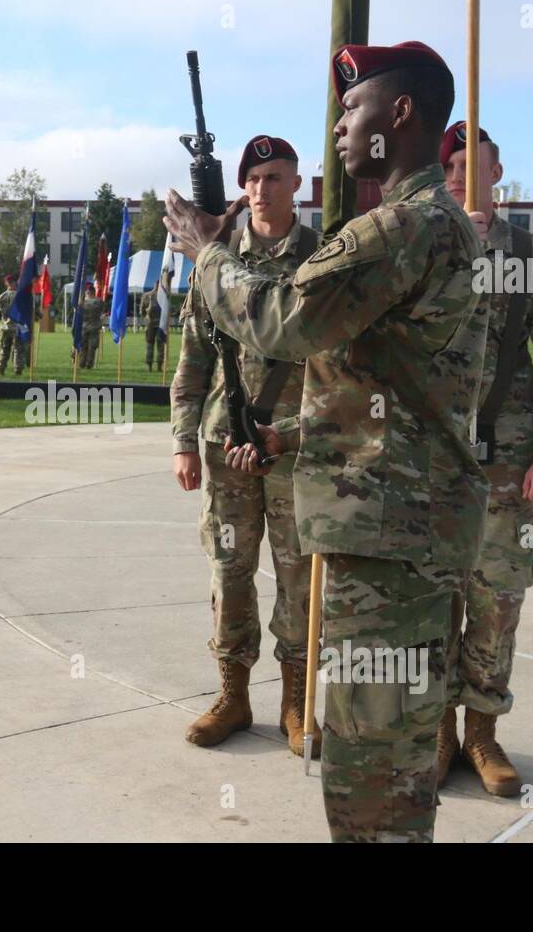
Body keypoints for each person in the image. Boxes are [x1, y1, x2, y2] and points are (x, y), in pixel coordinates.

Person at [165, 41, 489, 843]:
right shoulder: (424, 225)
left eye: (353, 109)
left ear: (400, 115)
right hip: (401, 528)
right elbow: (382, 390)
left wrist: (207, 252)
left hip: (388, 539)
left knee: (370, 781)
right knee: (389, 765)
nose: (341, 127)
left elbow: (283, 323)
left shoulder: (398, 227)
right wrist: (287, 435)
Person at [439, 121, 533, 795]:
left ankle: (483, 733)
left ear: (499, 176)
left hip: (509, 462)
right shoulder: (416, 247)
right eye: (453, 170)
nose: (465, 179)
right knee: (430, 603)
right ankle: (436, 731)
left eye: (479, 167)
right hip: (428, 464)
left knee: (496, 603)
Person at [170, 134, 323, 755]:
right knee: (229, 571)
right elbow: (193, 356)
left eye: (276, 177)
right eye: (254, 180)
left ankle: (294, 701)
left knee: (297, 576)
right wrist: (183, 442)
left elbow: (335, 366)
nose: (263, 190)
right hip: (222, 447)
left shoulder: (320, 256)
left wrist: (293, 433)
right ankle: (233, 696)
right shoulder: (216, 256)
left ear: (297, 185)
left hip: (295, 448)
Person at [0, 275, 26, 376]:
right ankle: (18, 370)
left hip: (5, 327)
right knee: (18, 349)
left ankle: (1, 369)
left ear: (6, 283)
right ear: (14, 282)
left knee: (4, 349)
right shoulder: (20, 296)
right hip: (18, 327)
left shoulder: (2, 296)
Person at [141, 284, 167, 371]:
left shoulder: (146, 296)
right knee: (160, 346)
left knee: (149, 345)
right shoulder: (164, 295)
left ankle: (149, 366)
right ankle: (159, 366)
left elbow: (142, 312)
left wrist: (147, 317)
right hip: (160, 324)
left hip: (150, 324)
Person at [79, 283, 102, 369]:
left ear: (87, 292)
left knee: (83, 346)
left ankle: (82, 362)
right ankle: (89, 364)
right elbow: (103, 309)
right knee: (92, 347)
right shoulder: (99, 302)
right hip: (94, 327)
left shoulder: (82, 303)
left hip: (84, 327)